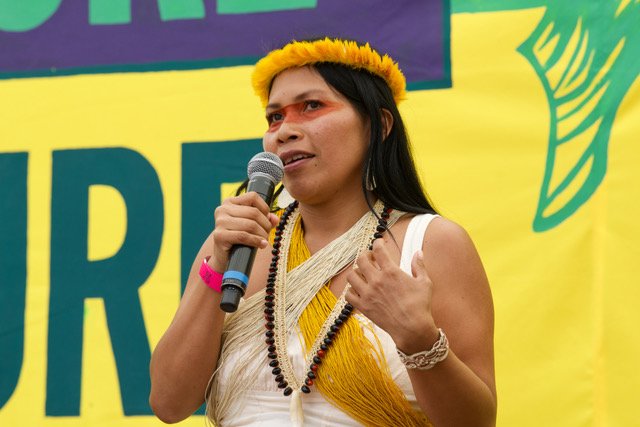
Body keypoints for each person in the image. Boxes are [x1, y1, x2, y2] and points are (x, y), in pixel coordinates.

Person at [149, 37, 496, 426]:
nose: (284, 131)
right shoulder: (242, 245)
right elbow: (169, 403)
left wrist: (418, 340)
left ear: (378, 126)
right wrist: (215, 267)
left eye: (312, 106)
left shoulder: (430, 244)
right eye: (274, 117)